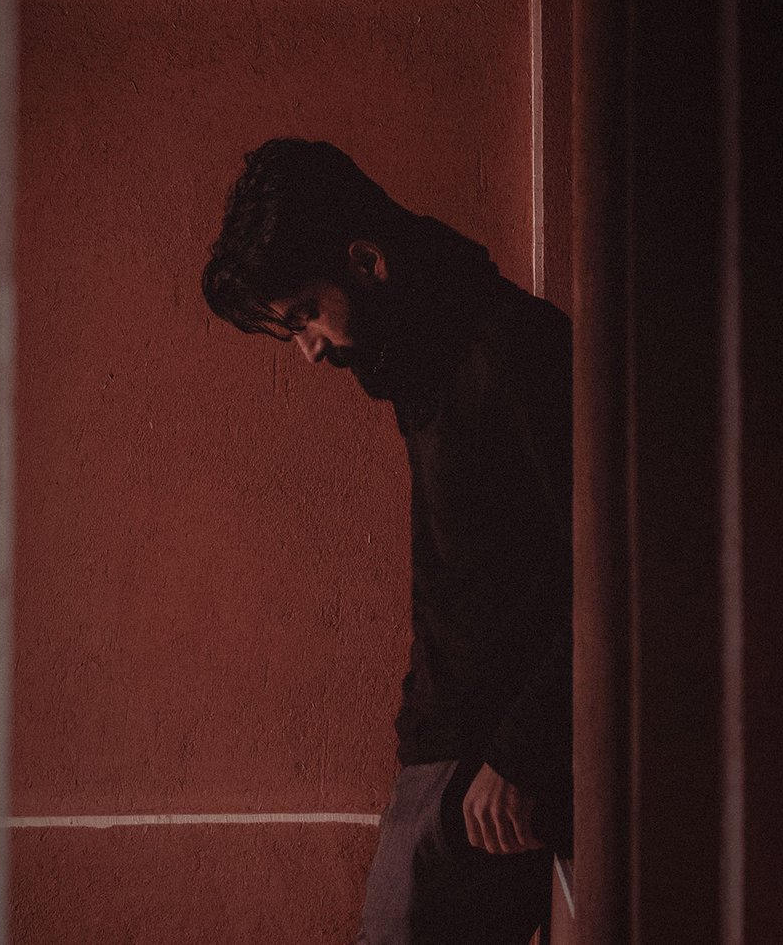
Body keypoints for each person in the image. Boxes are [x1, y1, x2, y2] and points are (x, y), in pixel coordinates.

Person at [201, 139, 573, 944]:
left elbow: (610, 583)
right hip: (448, 759)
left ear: (367, 261)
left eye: (306, 314)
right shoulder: (422, 368)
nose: (309, 349)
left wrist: (520, 753)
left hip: (489, 776)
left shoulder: (512, 352)